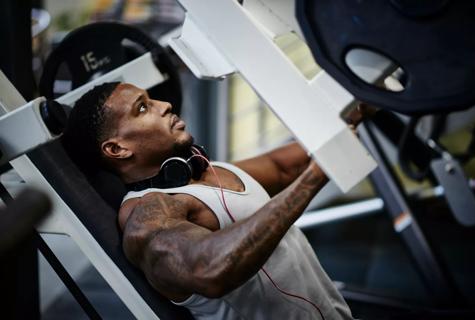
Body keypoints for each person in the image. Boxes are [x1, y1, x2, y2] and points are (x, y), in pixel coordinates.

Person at [63, 81, 360, 320]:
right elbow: (208, 270)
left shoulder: (209, 171)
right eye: (143, 108)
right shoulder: (147, 216)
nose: (165, 105)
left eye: (152, 99)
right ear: (117, 148)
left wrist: (359, 102)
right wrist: (313, 179)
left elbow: (286, 166)